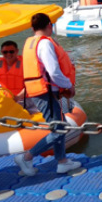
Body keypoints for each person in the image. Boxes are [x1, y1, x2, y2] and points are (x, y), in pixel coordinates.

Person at [14, 13, 81, 177]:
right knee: (59, 129)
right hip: (45, 92)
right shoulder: (45, 44)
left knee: (59, 126)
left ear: (32, 28)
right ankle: (26, 157)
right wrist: (68, 86)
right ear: (50, 25)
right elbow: (54, 72)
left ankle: (62, 161)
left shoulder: (31, 43)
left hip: (40, 91)